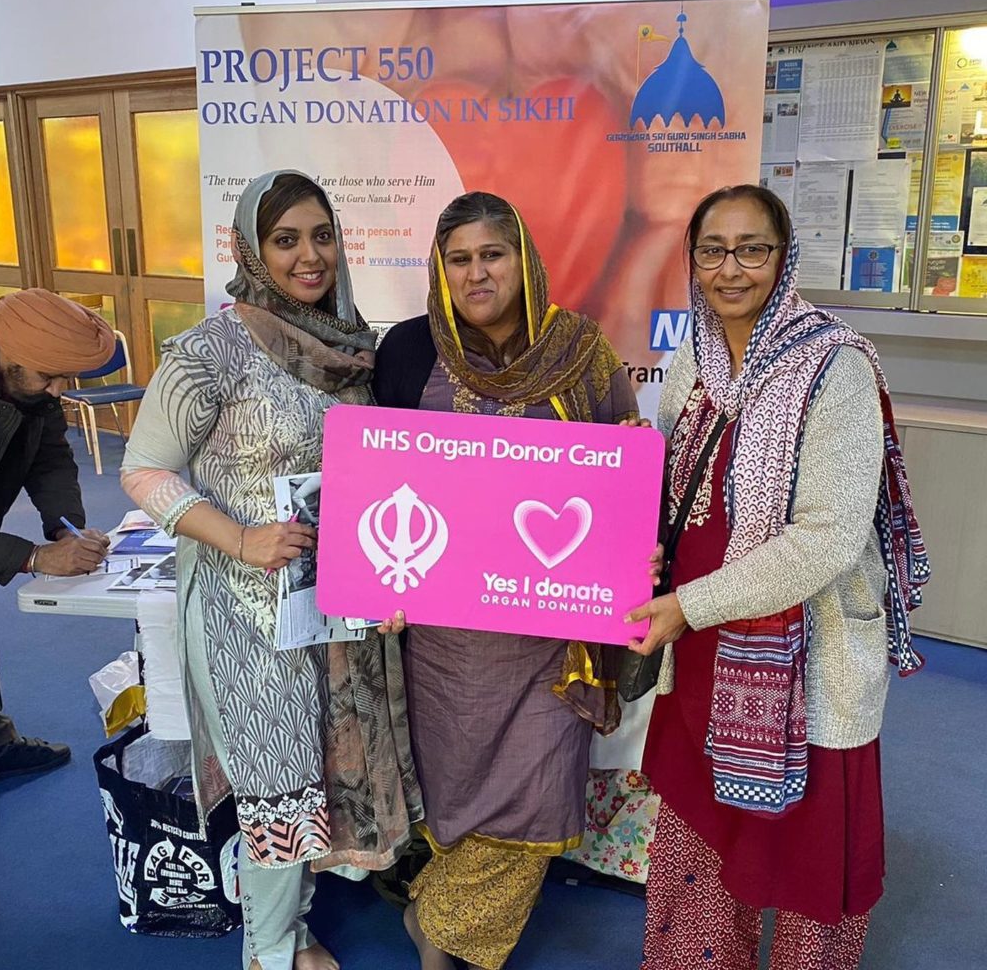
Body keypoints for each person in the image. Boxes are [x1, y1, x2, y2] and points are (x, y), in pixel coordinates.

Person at [121, 170, 422, 970]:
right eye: (285, 239)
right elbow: (145, 470)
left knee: (320, 764)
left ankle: (298, 921)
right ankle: (270, 949)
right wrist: (242, 537)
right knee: (278, 772)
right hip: (245, 609)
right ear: (250, 248)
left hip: (339, 606)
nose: (309, 256)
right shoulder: (211, 351)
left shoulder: (359, 345)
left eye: (321, 236)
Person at [624, 184, 930, 970]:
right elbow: (680, 485)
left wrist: (689, 606)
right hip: (699, 651)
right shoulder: (694, 351)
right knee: (703, 842)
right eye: (713, 250)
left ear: (784, 257)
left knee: (805, 861)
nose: (732, 269)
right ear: (691, 258)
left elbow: (827, 538)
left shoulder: (835, 367)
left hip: (804, 664)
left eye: (752, 249)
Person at [373, 191, 639, 970]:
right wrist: (373, 582)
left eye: (492, 254)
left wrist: (634, 558)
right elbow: (379, 480)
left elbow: (624, 477)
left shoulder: (582, 352)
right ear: (439, 268)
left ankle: (437, 938)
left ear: (523, 259)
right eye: (459, 259)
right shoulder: (409, 350)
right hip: (443, 640)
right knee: (452, 795)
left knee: (533, 795)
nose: (477, 272)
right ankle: (441, 926)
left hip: (551, 638)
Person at [0, 289, 114, 836]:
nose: (59, 391)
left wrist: (65, 527)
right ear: (9, 353)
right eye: (51, 377)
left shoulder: (34, 377)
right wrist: (30, 555)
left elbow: (50, 457)